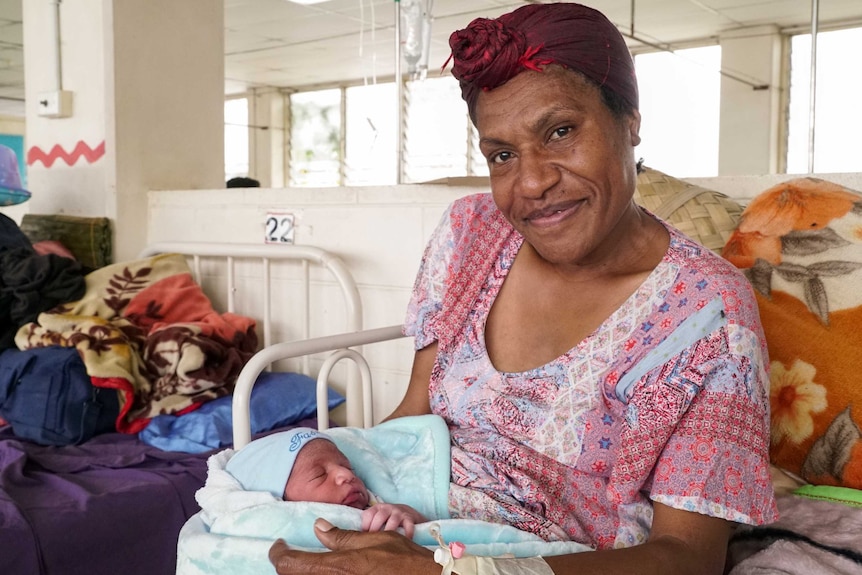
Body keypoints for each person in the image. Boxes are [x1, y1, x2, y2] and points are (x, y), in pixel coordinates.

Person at [268, 3, 777, 574]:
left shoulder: (706, 317)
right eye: (502, 155)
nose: (531, 182)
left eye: (560, 132)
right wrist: (305, 497)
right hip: (399, 520)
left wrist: (450, 573)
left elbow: (688, 558)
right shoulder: (470, 234)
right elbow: (413, 416)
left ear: (630, 121)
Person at [226, 427, 427, 538]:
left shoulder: (375, 507)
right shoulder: (279, 529)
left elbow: (434, 534)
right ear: (280, 499)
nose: (346, 475)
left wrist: (404, 513)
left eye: (348, 467)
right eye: (319, 475)